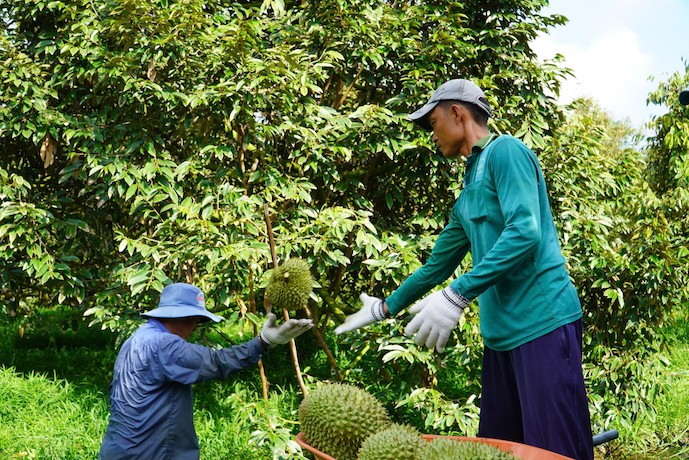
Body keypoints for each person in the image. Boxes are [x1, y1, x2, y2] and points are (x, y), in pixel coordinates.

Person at [335, 79, 594, 460]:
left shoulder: (507, 152)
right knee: (499, 451)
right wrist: (383, 307)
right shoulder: (469, 188)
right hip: (500, 340)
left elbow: (525, 231)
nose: (432, 133)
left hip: (542, 325)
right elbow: (435, 267)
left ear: (457, 113)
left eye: (433, 122)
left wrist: (458, 294)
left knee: (552, 451)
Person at [99, 282, 313, 460]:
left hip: (117, 448)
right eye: (196, 321)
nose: (195, 328)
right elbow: (216, 362)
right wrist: (263, 342)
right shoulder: (165, 345)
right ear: (182, 317)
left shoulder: (136, 338)